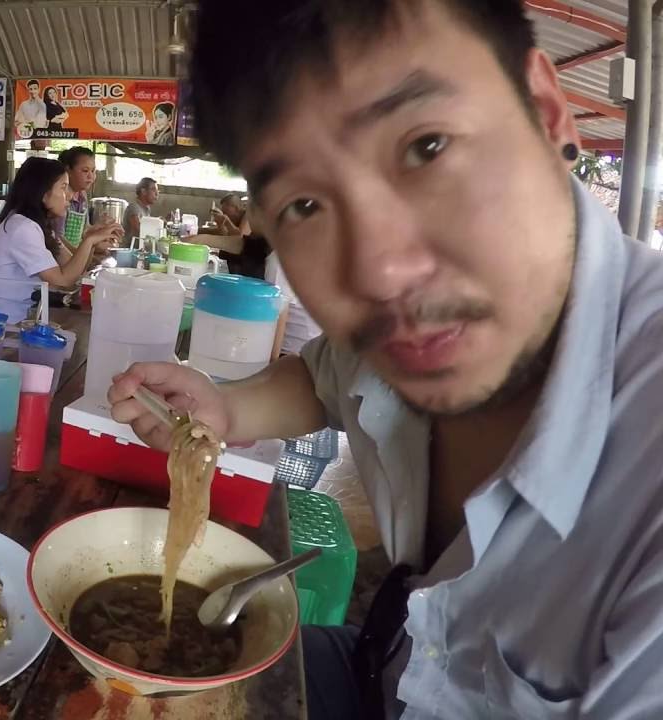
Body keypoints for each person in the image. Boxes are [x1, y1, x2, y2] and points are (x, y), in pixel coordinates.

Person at [111, 1, 663, 718]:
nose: (378, 274)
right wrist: (227, 407)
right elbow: (323, 376)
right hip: (387, 672)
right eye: (305, 205)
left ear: (546, 111)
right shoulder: (400, 340)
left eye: (426, 146)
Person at [0, 157, 121, 323]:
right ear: (43, 194)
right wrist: (89, 241)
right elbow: (63, 281)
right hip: (1, 324)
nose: (69, 195)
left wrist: (91, 240)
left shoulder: (39, 226)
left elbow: (74, 269)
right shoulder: (22, 228)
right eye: (63, 188)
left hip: (20, 316)